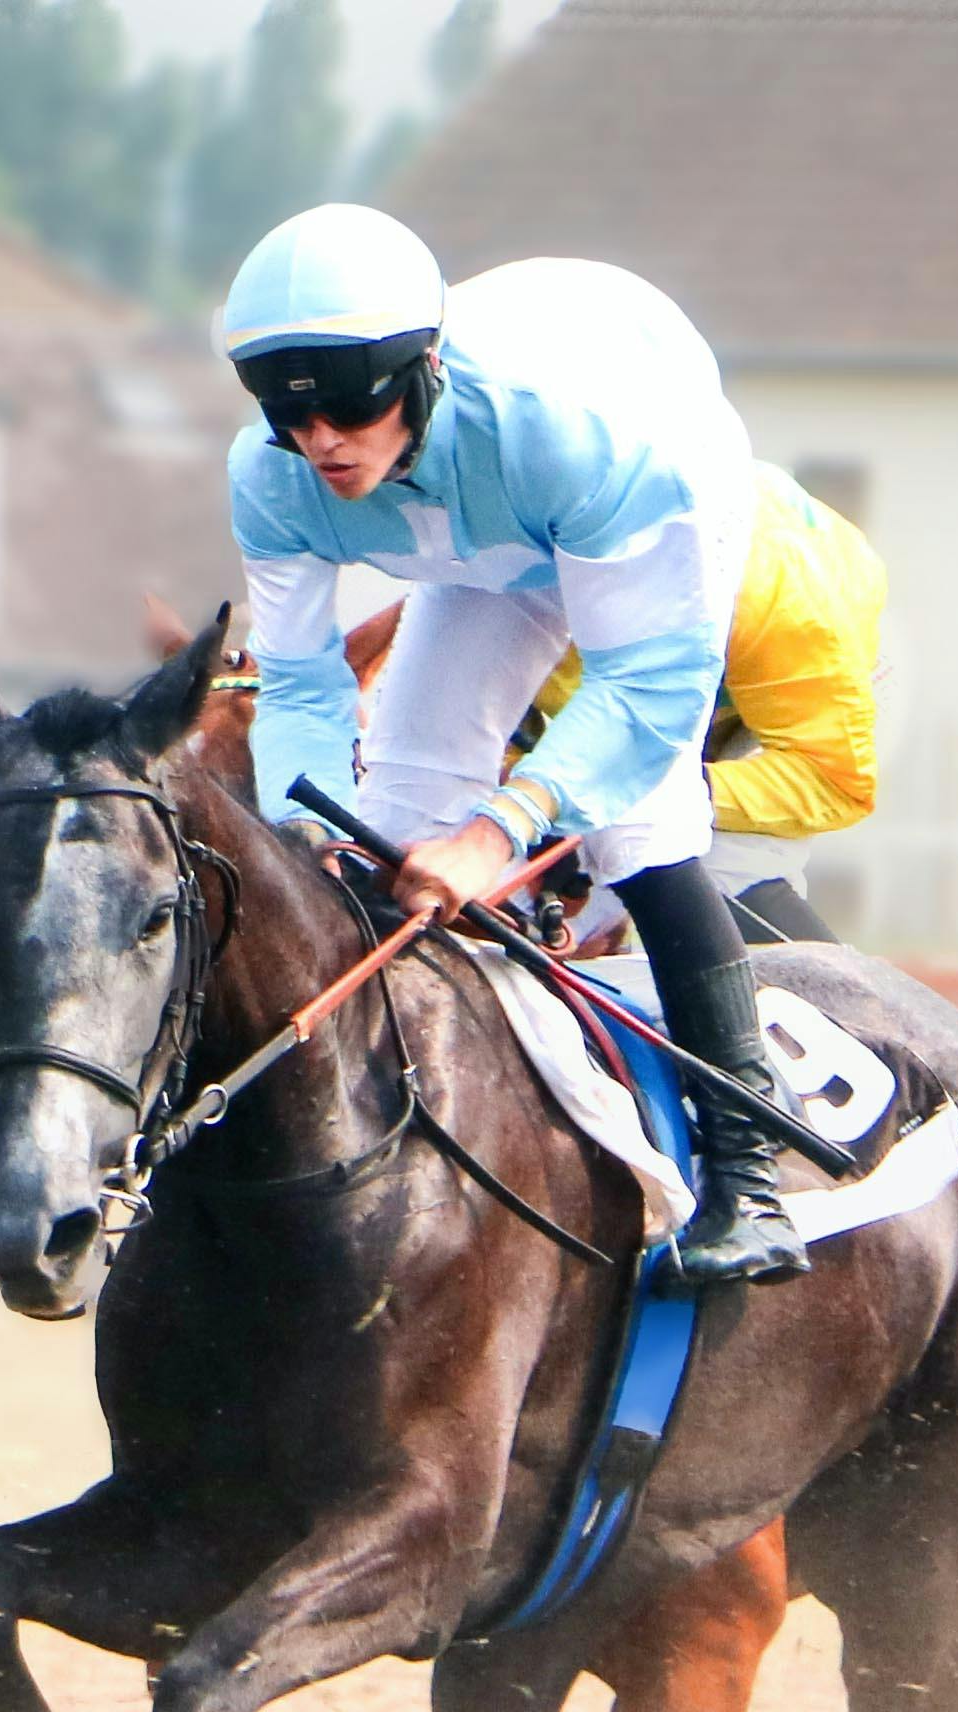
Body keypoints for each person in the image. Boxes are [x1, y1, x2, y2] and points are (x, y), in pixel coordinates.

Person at [218, 202, 806, 1286]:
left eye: (350, 405)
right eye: (287, 416)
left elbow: (646, 692)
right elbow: (298, 682)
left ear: (423, 366)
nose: (322, 444)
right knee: (392, 808)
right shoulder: (272, 477)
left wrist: (498, 834)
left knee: (640, 812)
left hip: (632, 489)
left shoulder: (584, 437)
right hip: (484, 549)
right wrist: (305, 833)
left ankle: (749, 1178)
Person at [514, 460, 892, 949]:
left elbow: (836, 784)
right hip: (675, 630)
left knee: (710, 861)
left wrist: (651, 791)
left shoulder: (787, 609)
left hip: (794, 699)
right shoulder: (515, 571)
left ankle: (827, 1011)